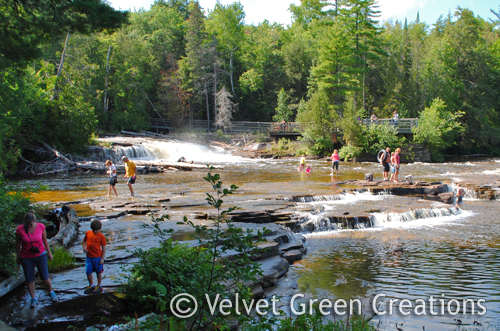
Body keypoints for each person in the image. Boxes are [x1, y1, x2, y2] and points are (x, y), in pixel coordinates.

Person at [16, 211, 58, 308]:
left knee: (45, 277)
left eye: (31, 224)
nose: (29, 226)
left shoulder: (41, 227)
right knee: (30, 279)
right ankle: (34, 299)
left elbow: (44, 240)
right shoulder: (20, 229)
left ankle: (51, 292)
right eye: (28, 224)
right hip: (26, 257)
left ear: (34, 221)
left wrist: (49, 252)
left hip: (40, 255)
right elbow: (18, 244)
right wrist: (18, 257)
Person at [83, 220, 107, 294]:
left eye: (97, 230)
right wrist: (84, 248)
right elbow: (84, 241)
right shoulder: (88, 233)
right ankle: (91, 285)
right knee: (88, 271)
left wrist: (102, 259)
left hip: (98, 257)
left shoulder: (101, 236)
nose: (95, 232)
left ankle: (99, 286)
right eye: (94, 230)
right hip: (89, 257)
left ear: (99, 229)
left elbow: (104, 248)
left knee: (98, 272)